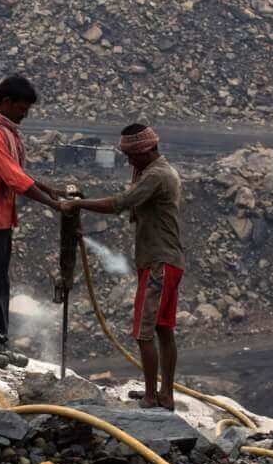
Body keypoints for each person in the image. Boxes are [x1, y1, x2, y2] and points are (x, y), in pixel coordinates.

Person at [63, 123, 184, 409]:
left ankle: (153, 396)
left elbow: (121, 203)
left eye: (132, 155)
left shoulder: (156, 176)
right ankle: (164, 394)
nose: (129, 161)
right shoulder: (155, 172)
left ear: (146, 150)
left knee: (144, 332)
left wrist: (78, 205)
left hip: (159, 263)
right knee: (164, 330)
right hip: (167, 260)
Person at [0, 73, 60, 347]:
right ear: (6, 102)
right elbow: (14, 178)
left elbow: (16, 171)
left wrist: (47, 188)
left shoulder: (5, 132)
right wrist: (53, 203)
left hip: (0, 219)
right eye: (21, 109)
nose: (24, 115)